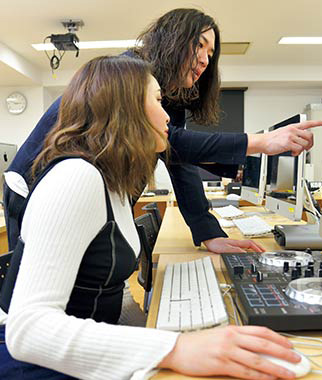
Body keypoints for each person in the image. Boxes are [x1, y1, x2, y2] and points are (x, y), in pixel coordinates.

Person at [0, 55, 302, 380]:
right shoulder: (76, 177)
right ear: (125, 108)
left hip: (84, 343)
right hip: (40, 364)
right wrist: (178, 347)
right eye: (158, 100)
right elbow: (28, 331)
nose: (168, 117)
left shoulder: (110, 179)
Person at [3, 8, 322, 255]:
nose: (205, 60)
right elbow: (175, 144)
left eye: (211, 54)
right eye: (200, 45)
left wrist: (208, 232)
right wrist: (261, 143)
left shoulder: (166, 97)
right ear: (172, 39)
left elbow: (176, 159)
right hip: (35, 188)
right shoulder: (127, 75)